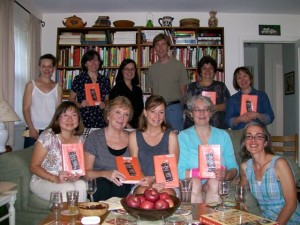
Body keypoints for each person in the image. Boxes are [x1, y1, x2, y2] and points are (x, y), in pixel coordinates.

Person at [178, 94, 239, 203]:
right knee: (195, 183)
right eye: (197, 109)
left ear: (211, 113)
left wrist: (225, 175)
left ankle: (210, 219)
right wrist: (200, 173)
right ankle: (195, 220)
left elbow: (234, 167)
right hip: (193, 183)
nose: (202, 113)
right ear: (191, 113)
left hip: (214, 183)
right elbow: (179, 171)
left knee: (215, 182)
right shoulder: (183, 136)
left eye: (206, 109)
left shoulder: (223, 135)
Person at [239, 121, 300, 224]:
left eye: (259, 136)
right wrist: (241, 202)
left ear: (266, 142)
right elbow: (241, 191)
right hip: (265, 220)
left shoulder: (279, 164)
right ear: (245, 142)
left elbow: (291, 204)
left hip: (290, 219)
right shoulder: (245, 167)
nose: (253, 140)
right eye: (249, 136)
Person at [29, 101, 86, 202]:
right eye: (65, 115)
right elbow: (34, 167)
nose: (69, 119)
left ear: (79, 119)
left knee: (82, 185)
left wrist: (75, 176)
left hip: (66, 180)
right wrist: (55, 178)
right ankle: (68, 217)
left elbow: (77, 166)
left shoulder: (80, 139)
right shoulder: (48, 136)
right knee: (69, 190)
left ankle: (80, 217)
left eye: (74, 115)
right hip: (43, 180)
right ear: (57, 118)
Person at [84, 96, 133, 201]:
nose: (122, 118)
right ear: (108, 115)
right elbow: (86, 173)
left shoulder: (133, 138)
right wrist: (105, 174)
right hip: (100, 184)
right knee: (103, 185)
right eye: (118, 112)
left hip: (123, 185)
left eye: (126, 114)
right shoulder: (94, 137)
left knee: (119, 186)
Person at [128, 95, 179, 196]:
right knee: (143, 192)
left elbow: (172, 167)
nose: (157, 116)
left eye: (161, 112)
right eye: (153, 111)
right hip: (142, 182)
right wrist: (148, 182)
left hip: (166, 182)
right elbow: (135, 165)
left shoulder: (171, 136)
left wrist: (155, 180)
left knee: (166, 194)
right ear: (145, 113)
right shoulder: (134, 136)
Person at [148, 33, 188, 132]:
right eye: (157, 44)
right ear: (154, 48)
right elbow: (153, 94)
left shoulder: (179, 66)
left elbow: (183, 93)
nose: (160, 47)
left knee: (177, 138)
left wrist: (182, 110)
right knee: (159, 138)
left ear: (168, 47)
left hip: (174, 109)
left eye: (163, 44)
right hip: (157, 109)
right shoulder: (152, 69)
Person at [23, 54, 63, 148]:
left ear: (53, 68)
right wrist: (31, 128)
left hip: (51, 130)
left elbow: (58, 111)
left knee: (49, 161)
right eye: (43, 66)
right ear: (39, 68)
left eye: (50, 66)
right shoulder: (31, 85)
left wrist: (56, 129)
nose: (46, 69)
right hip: (34, 129)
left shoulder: (58, 87)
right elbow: (26, 108)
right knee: (30, 159)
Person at [184, 55, 230, 129]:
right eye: (204, 68)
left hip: (218, 127)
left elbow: (229, 105)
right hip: (196, 127)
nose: (207, 71)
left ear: (214, 71)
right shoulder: (192, 87)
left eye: (210, 68)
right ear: (200, 71)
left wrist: (215, 107)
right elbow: (187, 107)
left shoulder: (221, 86)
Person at [69, 49, 111, 129]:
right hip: (84, 117)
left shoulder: (105, 80)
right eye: (90, 60)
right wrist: (80, 104)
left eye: (95, 60)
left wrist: (105, 104)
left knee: (100, 140)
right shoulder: (79, 79)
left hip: (101, 118)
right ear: (85, 64)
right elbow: (71, 99)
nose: (93, 63)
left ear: (99, 62)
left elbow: (107, 99)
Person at [109, 58, 144, 129]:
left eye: (132, 69)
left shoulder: (138, 90)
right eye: (126, 69)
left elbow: (141, 111)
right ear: (122, 71)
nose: (129, 71)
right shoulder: (117, 89)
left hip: (138, 126)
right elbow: (114, 111)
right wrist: (128, 127)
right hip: (122, 126)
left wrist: (141, 126)